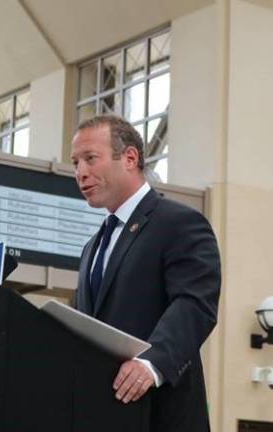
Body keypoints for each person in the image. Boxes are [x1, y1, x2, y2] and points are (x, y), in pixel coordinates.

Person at [70, 114, 221, 431]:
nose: (81, 173)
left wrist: (152, 362)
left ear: (129, 158)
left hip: (159, 415)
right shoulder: (91, 248)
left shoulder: (179, 223)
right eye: (75, 163)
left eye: (90, 159)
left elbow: (194, 303)